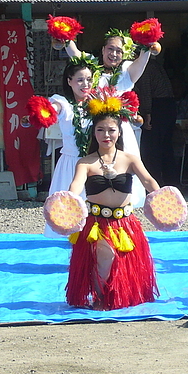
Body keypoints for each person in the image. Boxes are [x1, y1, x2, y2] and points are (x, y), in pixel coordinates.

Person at [65, 104, 161, 310]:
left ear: (119, 132)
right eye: (100, 130)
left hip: (126, 223)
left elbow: (148, 181)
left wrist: (163, 201)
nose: (106, 135)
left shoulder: (129, 159)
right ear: (93, 132)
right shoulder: (85, 163)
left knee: (125, 263)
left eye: (111, 130)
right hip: (97, 224)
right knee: (104, 257)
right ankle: (100, 297)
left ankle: (119, 296)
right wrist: (66, 202)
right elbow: (75, 186)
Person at [66, 29, 152, 205]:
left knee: (124, 165)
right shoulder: (91, 68)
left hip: (120, 129)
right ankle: (83, 201)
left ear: (124, 53)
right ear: (103, 50)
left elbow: (144, 56)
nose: (114, 54)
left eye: (119, 51)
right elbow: (73, 52)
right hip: (94, 127)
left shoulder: (128, 72)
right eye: (110, 49)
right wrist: (65, 38)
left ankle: (124, 205)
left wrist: (148, 41)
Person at [43, 59, 94, 237]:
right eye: (80, 80)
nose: (85, 84)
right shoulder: (63, 103)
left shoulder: (99, 105)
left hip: (95, 163)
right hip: (70, 163)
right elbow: (54, 108)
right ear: (69, 81)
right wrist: (45, 111)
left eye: (89, 79)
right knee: (67, 206)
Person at [134, 57, 177, 186]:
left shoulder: (146, 65)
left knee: (153, 148)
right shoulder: (154, 63)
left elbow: (146, 91)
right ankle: (171, 181)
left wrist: (147, 113)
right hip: (167, 105)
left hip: (158, 106)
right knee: (165, 146)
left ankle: (156, 183)